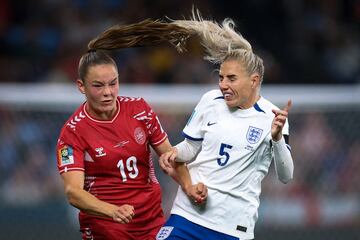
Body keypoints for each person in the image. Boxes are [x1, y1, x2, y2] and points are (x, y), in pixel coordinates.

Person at [156, 15, 294, 240]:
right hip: (187, 215)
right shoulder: (211, 100)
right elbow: (191, 147)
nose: (223, 85)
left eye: (231, 78)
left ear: (254, 80)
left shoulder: (273, 117)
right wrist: (174, 152)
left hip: (231, 227)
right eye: (221, 78)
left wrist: (277, 138)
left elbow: (286, 175)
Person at [55, 20, 196, 240]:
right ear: (81, 86)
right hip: (106, 229)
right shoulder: (73, 132)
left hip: (151, 224)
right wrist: (113, 210)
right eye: (98, 85)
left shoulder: (139, 109)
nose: (108, 92)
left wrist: (189, 186)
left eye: (113, 83)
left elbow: (170, 157)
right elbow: (73, 193)